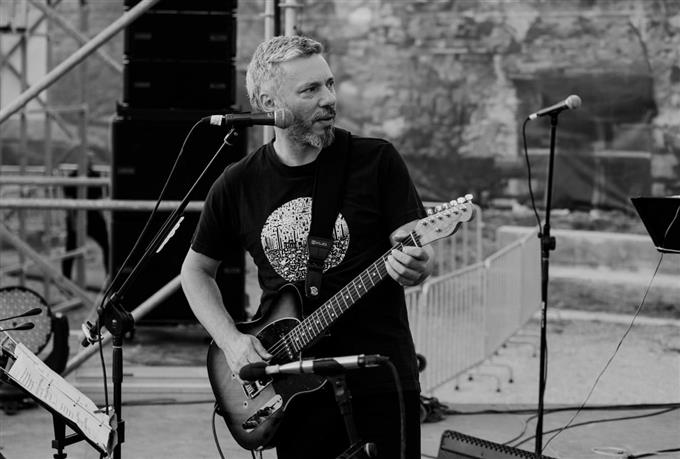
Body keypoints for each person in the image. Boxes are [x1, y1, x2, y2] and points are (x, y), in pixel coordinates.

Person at [180, 35, 433, 459]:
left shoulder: (376, 161)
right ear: (268, 103)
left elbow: (414, 247)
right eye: (310, 89)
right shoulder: (238, 182)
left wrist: (418, 264)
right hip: (289, 386)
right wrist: (231, 341)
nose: (329, 99)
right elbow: (195, 271)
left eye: (329, 84)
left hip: (379, 378)